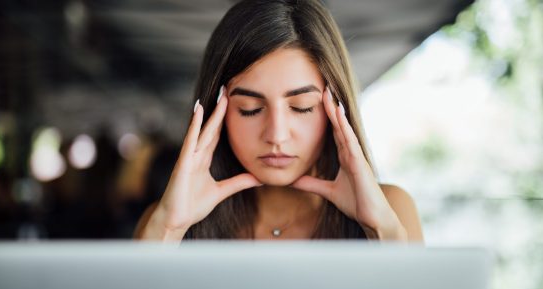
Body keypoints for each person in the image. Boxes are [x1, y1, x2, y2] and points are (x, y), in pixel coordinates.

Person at [135, 0, 423, 242]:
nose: (276, 135)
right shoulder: (166, 220)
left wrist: (381, 230)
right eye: (249, 109)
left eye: (301, 107)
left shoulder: (392, 210)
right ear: (216, 111)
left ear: (337, 108)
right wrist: (169, 229)